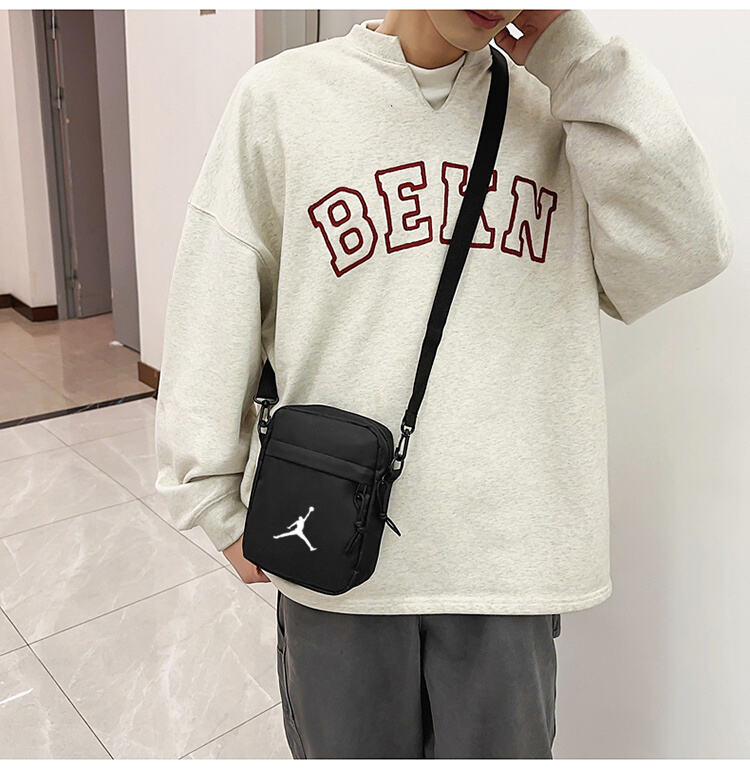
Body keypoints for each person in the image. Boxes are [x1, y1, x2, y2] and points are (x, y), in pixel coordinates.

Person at [154, 9, 733, 759]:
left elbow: (683, 251)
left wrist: (576, 57)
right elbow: (216, 296)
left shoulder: (564, 108)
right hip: (332, 549)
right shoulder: (282, 99)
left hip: (508, 568)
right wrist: (213, 500)